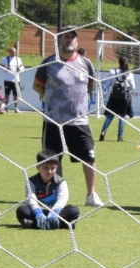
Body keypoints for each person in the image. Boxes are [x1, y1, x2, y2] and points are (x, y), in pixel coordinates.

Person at [31, 27, 104, 206]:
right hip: (54, 121)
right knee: (54, 160)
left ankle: (91, 195)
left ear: (77, 41)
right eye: (65, 37)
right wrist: (51, 98)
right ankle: (57, 195)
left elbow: (90, 85)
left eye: (72, 37)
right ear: (59, 41)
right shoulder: (48, 63)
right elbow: (37, 86)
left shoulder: (86, 63)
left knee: (89, 158)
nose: (69, 40)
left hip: (80, 121)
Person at [17, 150, 80, 229]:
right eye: (46, 168)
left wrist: (54, 213)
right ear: (38, 167)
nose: (49, 171)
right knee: (22, 210)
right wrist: (38, 212)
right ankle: (61, 224)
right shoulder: (31, 181)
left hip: (56, 212)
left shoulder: (61, 182)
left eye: (53, 168)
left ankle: (34, 224)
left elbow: (62, 200)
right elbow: (31, 198)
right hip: (38, 211)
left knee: (74, 210)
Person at [99, 56, 136, 142]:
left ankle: (102, 134)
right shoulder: (130, 74)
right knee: (122, 117)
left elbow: (107, 84)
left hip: (114, 97)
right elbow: (133, 87)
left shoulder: (112, 71)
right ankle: (119, 137)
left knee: (109, 116)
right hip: (124, 98)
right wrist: (125, 89)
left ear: (118, 62)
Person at [0, 44, 23, 111]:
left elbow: (22, 67)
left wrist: (20, 69)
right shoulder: (5, 59)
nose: (14, 53)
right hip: (7, 79)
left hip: (16, 80)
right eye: (13, 52)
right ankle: (6, 107)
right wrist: (5, 67)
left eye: (15, 52)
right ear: (9, 52)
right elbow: (0, 66)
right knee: (7, 95)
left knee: (16, 95)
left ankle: (16, 108)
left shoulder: (18, 59)